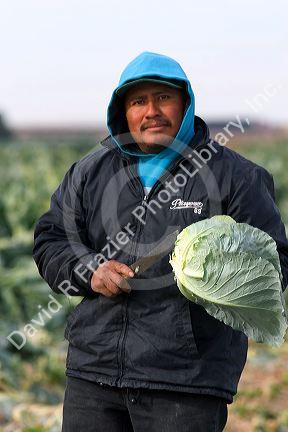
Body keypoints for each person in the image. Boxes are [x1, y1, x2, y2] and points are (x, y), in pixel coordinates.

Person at [33, 51, 288, 432]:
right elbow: (51, 239)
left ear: (185, 104)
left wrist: (212, 274)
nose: (151, 111)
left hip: (186, 383)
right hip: (94, 375)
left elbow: (276, 265)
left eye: (163, 98)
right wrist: (89, 270)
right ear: (123, 112)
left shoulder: (236, 177)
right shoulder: (90, 171)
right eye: (138, 101)